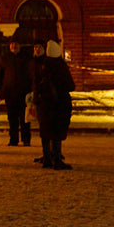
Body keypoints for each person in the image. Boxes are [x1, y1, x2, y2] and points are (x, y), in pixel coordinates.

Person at [31, 39, 75, 170]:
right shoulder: (60, 66)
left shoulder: (41, 65)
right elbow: (71, 85)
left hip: (43, 103)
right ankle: (57, 158)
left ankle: (47, 158)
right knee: (57, 131)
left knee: (45, 131)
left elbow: (34, 83)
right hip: (59, 103)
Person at [0, 39, 32, 146]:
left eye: (16, 44)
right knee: (12, 117)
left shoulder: (26, 57)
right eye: (12, 44)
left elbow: (31, 74)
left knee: (25, 118)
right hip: (10, 92)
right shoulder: (5, 57)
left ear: (20, 45)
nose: (14, 46)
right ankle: (13, 139)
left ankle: (26, 139)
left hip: (24, 92)